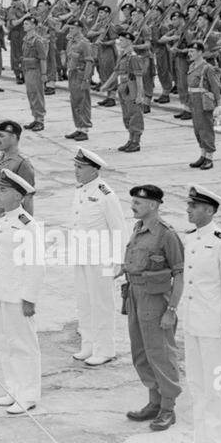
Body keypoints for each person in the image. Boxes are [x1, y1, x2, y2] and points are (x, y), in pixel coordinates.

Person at [176, 185, 221, 443]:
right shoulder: (191, 239)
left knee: (219, 386)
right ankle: (201, 438)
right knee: (197, 383)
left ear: (209, 210)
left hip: (215, 328)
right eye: (189, 205)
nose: (188, 210)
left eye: (194, 206)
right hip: (193, 324)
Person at [118, 184, 183, 432]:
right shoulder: (138, 228)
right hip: (134, 295)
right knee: (141, 351)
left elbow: (179, 274)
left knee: (161, 353)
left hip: (156, 300)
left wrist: (171, 310)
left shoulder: (167, 234)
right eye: (133, 202)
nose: (133, 206)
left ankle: (168, 408)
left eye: (138, 203)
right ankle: (154, 402)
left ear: (153, 206)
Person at [0, 169, 44, 414]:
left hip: (18, 295)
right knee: (5, 343)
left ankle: (28, 394)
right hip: (1, 292)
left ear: (18, 196)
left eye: (3, 190)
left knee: (23, 345)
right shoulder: (5, 219)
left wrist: (29, 298)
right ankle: (13, 389)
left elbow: (36, 264)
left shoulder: (27, 225)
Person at [69, 148, 128, 368]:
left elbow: (118, 228)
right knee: (84, 302)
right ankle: (89, 344)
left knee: (101, 303)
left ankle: (105, 349)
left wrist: (120, 260)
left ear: (94, 170)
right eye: (75, 166)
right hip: (81, 256)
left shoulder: (105, 194)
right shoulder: (81, 190)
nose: (76, 171)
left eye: (81, 167)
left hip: (101, 259)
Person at [0, 120, 34, 236]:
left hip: (11, 218)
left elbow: (28, 197)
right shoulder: (0, 158)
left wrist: (26, 227)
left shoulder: (22, 163)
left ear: (14, 137)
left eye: (1, 136)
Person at [185, 41, 221, 170]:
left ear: (200, 52)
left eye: (192, 51)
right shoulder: (192, 66)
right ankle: (202, 155)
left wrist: (218, 105)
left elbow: (216, 87)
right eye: (189, 51)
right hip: (194, 101)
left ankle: (209, 157)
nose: (189, 54)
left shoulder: (207, 68)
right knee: (198, 129)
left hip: (204, 102)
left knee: (206, 129)